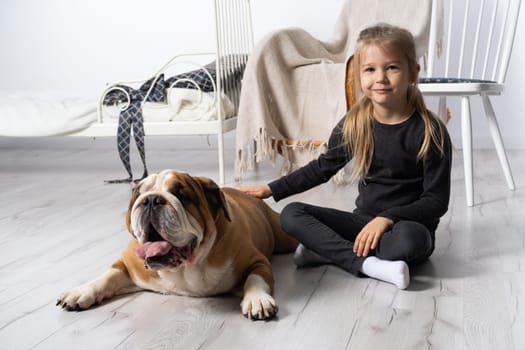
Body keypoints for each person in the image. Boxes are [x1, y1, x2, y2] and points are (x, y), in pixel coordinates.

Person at [238, 23, 452, 290]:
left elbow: (436, 201)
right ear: (359, 76)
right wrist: (271, 188)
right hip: (361, 224)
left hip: (405, 226)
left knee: (410, 243)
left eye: (392, 68)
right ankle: (367, 265)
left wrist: (388, 219)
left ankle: (328, 251)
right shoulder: (355, 123)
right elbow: (322, 168)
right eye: (370, 69)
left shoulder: (431, 131)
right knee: (291, 214)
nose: (380, 78)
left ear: (413, 73)